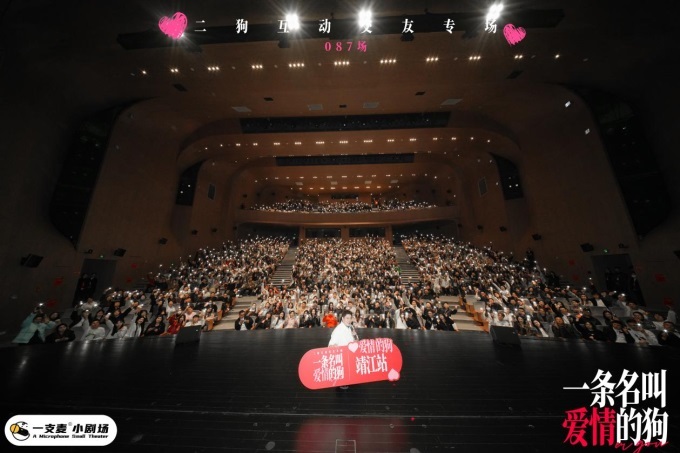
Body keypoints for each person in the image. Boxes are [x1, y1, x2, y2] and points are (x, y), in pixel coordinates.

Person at [328, 310, 359, 390]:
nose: (349, 320)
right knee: (343, 375)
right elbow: (331, 345)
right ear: (342, 318)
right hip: (342, 355)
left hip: (351, 354)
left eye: (350, 318)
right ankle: (342, 383)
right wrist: (333, 346)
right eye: (347, 318)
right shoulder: (338, 330)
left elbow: (356, 339)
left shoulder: (351, 327)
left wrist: (355, 337)